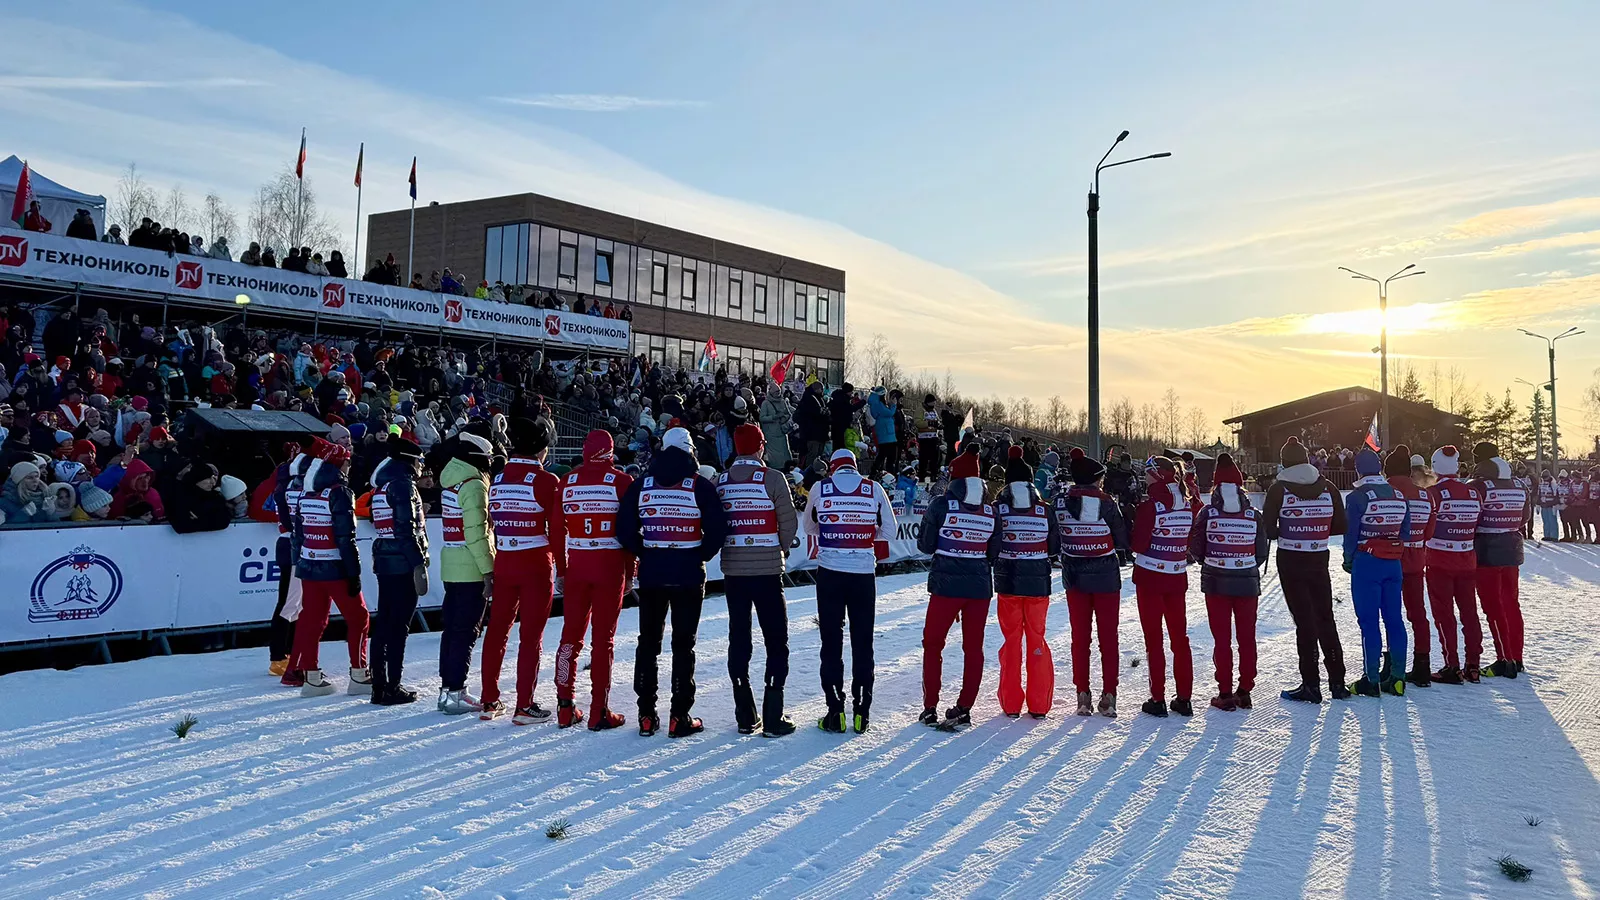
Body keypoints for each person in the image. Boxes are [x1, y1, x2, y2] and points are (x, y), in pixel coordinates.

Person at [617, 426, 728, 738]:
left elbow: (624, 530)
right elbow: (718, 529)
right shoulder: (699, 485)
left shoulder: (642, 485)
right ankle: (680, 714)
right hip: (689, 573)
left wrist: (647, 551)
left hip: (653, 572)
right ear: (690, 450)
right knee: (683, 645)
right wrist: (698, 554)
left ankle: (646, 714)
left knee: (648, 643)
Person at [803, 447, 896, 734]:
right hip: (863, 574)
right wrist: (866, 536)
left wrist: (831, 535)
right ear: (855, 467)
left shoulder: (820, 488)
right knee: (862, 642)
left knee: (831, 642)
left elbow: (808, 525)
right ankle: (861, 713)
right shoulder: (873, 488)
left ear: (832, 467)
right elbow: (889, 532)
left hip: (830, 572)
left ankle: (835, 711)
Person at [716, 423, 800, 736]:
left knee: (739, 639)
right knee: (776, 641)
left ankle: (745, 714)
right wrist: (778, 549)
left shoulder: (720, 481)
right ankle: (773, 715)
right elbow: (789, 523)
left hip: (734, 572)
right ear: (761, 447)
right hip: (767, 572)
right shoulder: (773, 478)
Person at [480, 418, 564, 724]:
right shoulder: (545, 481)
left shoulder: (499, 478)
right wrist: (563, 565)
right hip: (536, 563)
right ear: (541, 450)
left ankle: (490, 699)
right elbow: (556, 531)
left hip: (505, 559)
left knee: (497, 630)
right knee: (530, 637)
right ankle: (524, 705)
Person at [553, 429, 634, 730]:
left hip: (577, 565)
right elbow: (628, 533)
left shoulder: (568, 481)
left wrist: (561, 569)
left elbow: (556, 529)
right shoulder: (622, 481)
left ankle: (564, 704)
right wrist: (631, 570)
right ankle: (599, 709)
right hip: (609, 566)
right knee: (604, 641)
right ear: (610, 451)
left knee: (568, 639)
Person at [916, 444, 1001, 728]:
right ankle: (965, 706)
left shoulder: (942, 504)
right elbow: (993, 552)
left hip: (945, 585)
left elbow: (926, 546)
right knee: (973, 647)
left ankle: (930, 707)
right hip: (978, 586)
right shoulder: (990, 509)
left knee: (933, 644)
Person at [1262, 437, 1349, 703]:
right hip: (1318, 556)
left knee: (1304, 622)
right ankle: (1337, 681)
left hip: (1291, 558)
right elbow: (1340, 526)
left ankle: (1311, 684)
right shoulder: (1328, 486)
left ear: (1284, 462)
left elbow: (1269, 529)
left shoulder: (1279, 489)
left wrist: (1289, 528)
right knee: (1325, 617)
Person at [285, 439, 372, 697]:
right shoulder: (339, 493)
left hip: (309, 567)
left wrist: (298, 562)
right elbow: (346, 538)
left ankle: (311, 676)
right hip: (335, 567)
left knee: (313, 620)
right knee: (359, 618)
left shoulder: (306, 492)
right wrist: (353, 572)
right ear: (340, 464)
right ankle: (359, 674)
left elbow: (297, 535)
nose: (349, 466)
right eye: (347, 461)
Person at [1189, 454, 1270, 712]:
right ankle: (1245, 690)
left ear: (1215, 485)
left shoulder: (1207, 512)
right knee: (1247, 637)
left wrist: (1214, 561)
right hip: (1246, 582)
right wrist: (1242, 563)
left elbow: (1196, 547)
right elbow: (1261, 552)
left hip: (1216, 583)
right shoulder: (1252, 513)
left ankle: (1224, 692)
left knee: (1221, 638)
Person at [993, 446, 1063, 718]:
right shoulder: (1044, 510)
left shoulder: (998, 508)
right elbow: (1055, 546)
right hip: (1038, 584)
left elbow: (992, 542)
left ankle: (1010, 704)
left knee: (1011, 641)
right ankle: (1039, 704)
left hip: (1008, 583)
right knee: (1037, 640)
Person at [1130, 456, 1198, 718]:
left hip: (1149, 577)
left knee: (1154, 640)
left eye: (1147, 473)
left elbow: (1138, 545)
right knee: (1180, 639)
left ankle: (1157, 698)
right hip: (1176, 576)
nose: (1144, 477)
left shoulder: (1151, 505)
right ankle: (1184, 698)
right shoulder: (1186, 501)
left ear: (1156, 475)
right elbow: (1188, 538)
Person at [437, 431, 497, 714]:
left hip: (451, 565)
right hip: (471, 568)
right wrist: (489, 570)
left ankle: (447, 690)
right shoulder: (473, 485)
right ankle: (456, 692)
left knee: (451, 630)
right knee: (466, 632)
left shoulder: (450, 481)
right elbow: (476, 533)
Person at [1342, 447, 1410, 697]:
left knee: (1369, 622)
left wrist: (1349, 559)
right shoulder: (1397, 494)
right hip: (1394, 562)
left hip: (1367, 561)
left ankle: (1371, 679)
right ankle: (1398, 677)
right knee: (1395, 619)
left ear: (1358, 469)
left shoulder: (1358, 496)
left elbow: (1351, 534)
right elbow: (1405, 531)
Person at [369, 435, 429, 705]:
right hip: (402, 562)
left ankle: (380, 686)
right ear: (409, 461)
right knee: (398, 627)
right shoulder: (403, 486)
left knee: (384, 624)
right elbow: (406, 529)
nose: (421, 467)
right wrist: (418, 563)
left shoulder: (383, 487)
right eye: (419, 461)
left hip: (385, 559)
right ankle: (392, 685)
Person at [1468, 442, 1530, 679]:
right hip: (1512, 551)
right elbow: (1524, 517)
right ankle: (1517, 656)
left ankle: (1505, 660)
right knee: (1511, 604)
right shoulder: (1519, 484)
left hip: (1487, 552)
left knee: (1493, 607)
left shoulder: (1479, 486)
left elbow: (1470, 517)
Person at [1425, 445, 1483, 684]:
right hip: (1467, 559)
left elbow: (1426, 526)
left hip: (1439, 560)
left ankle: (1452, 665)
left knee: (1444, 614)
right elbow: (1477, 523)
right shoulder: (1473, 493)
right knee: (1469, 612)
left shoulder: (1433, 493)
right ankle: (1473, 664)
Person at [1384, 445, 1435, 690]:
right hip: (1416, 560)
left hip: (1390, 560)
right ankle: (1422, 664)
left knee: (1391, 615)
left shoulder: (1387, 492)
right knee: (1418, 614)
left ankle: (1392, 665)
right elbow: (1430, 532)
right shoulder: (1426, 495)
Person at [1536, 468, 1559, 541]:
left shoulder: (1553, 484)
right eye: (1543, 477)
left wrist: (1555, 504)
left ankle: (1554, 536)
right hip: (1544, 505)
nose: (1544, 478)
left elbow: (1556, 495)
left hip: (1551, 505)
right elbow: (1539, 494)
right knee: (1545, 521)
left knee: (1552, 521)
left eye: (1545, 477)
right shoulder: (1541, 484)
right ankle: (1547, 535)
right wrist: (1538, 504)